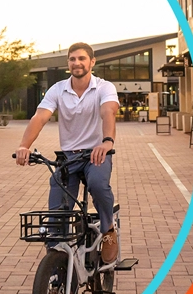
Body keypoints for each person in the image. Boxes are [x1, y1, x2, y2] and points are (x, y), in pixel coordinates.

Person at [14, 42, 120, 268]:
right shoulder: (58, 89)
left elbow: (108, 111)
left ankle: (109, 229)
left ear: (92, 62)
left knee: (98, 185)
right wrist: (24, 145)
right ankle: (57, 254)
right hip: (69, 157)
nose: (77, 63)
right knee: (58, 205)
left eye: (82, 58)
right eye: (72, 59)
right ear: (68, 63)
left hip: (96, 154)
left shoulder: (104, 87)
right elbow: (40, 117)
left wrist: (107, 142)